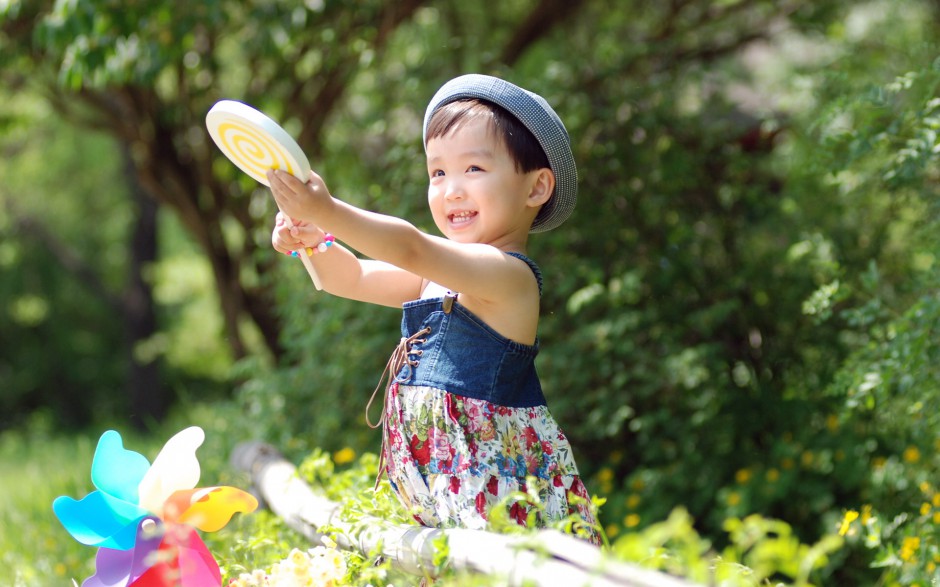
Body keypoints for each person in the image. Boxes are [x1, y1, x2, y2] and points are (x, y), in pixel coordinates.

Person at [268, 74, 599, 544]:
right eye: (438, 173)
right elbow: (350, 278)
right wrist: (312, 240)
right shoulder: (436, 275)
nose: (451, 190)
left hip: (504, 506)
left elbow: (411, 247)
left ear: (536, 187)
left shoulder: (508, 277)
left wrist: (329, 211)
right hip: (443, 499)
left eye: (474, 170)